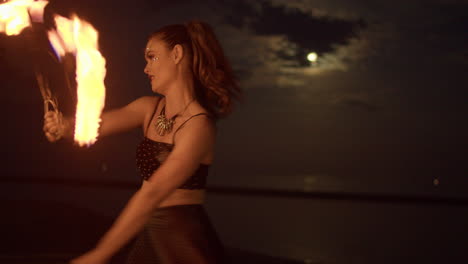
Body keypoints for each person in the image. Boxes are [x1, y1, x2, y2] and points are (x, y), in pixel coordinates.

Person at [43, 20, 241, 264]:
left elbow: (152, 193)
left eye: (152, 57)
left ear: (177, 54)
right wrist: (62, 125)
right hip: (151, 231)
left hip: (183, 239)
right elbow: (93, 126)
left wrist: (100, 254)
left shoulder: (198, 126)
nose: (146, 68)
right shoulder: (148, 108)